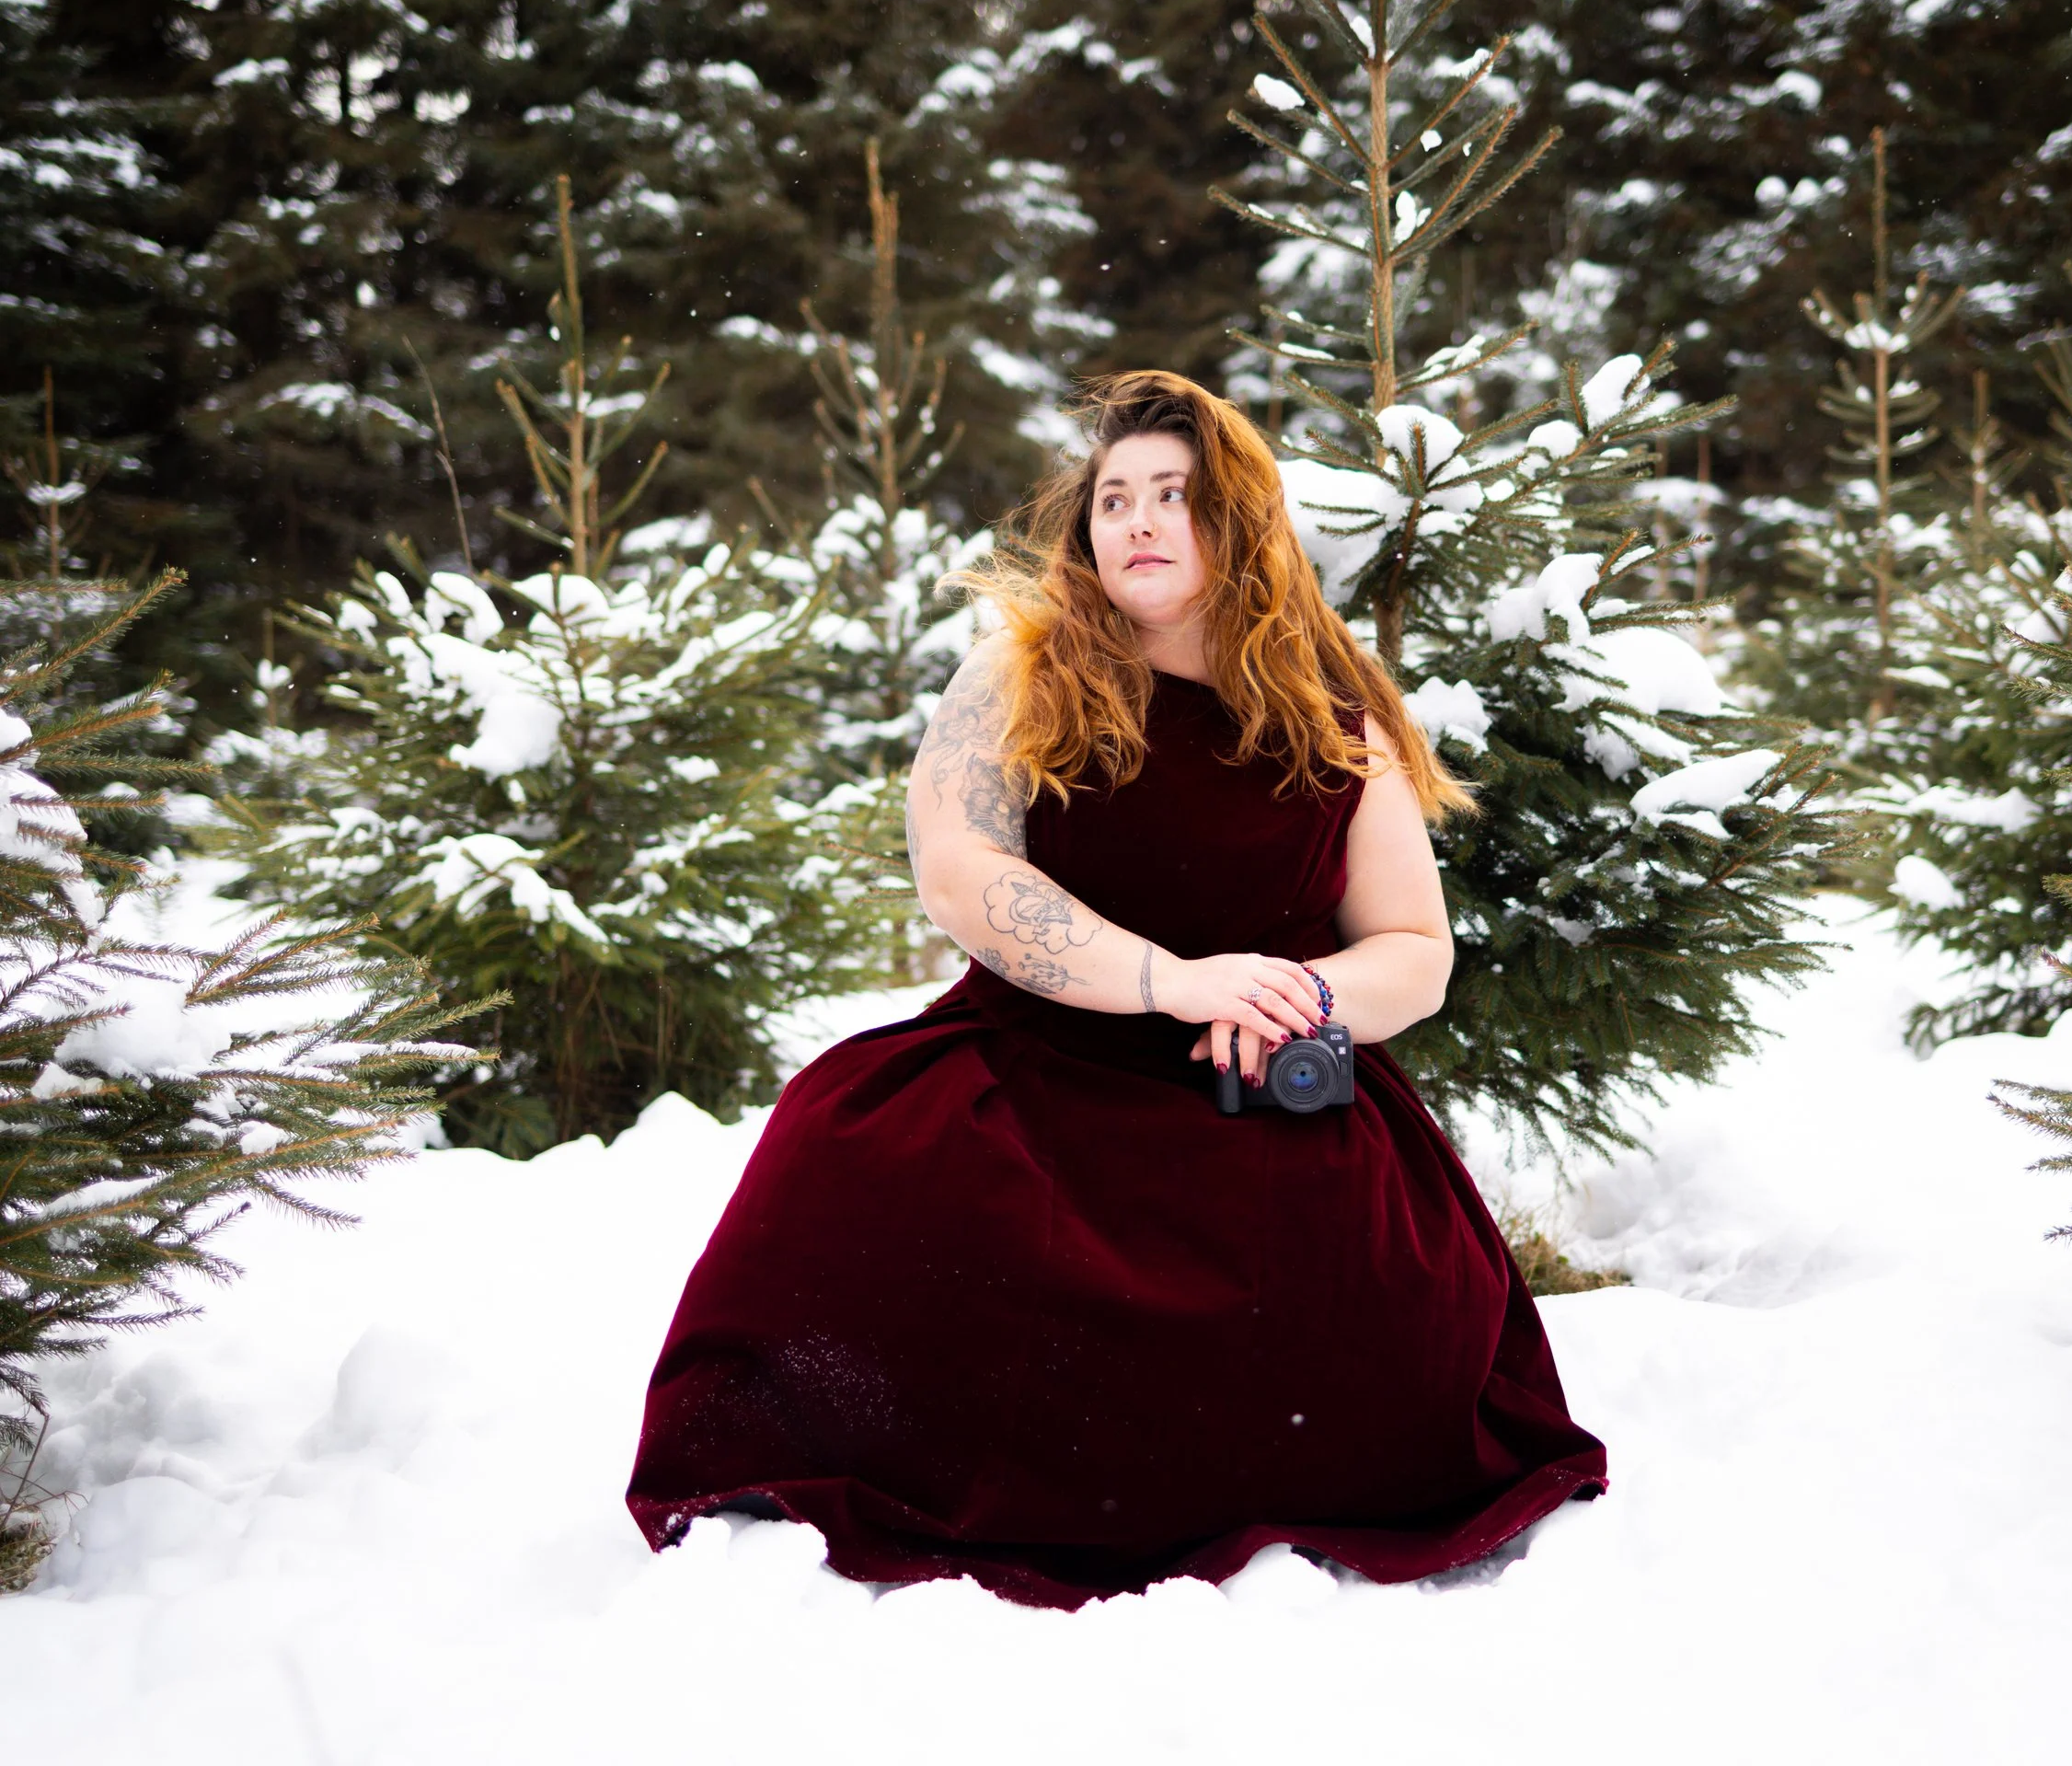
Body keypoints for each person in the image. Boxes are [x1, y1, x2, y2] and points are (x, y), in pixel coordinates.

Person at [626, 371, 1606, 1608]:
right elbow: (962, 871)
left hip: (1249, 1087)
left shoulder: (1333, 717)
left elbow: (1413, 946)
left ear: (1239, 524)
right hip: (1034, 1063)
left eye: (1174, 498)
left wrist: (1293, 1002)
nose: (1136, 521)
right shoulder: (1022, 674)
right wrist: (1167, 979)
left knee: (1370, 1304)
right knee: (840, 1154)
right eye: (1113, 500)